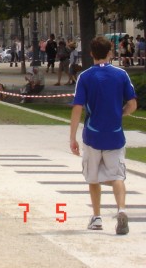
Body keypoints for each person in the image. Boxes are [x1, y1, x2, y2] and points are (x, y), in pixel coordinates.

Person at [70, 36, 137, 235]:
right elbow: (133, 104)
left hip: (93, 134)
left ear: (91, 54)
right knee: (117, 175)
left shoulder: (85, 76)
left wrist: (72, 137)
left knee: (93, 177)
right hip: (115, 134)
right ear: (110, 53)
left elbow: (77, 108)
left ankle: (97, 217)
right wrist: (121, 113)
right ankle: (122, 210)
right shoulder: (121, 74)